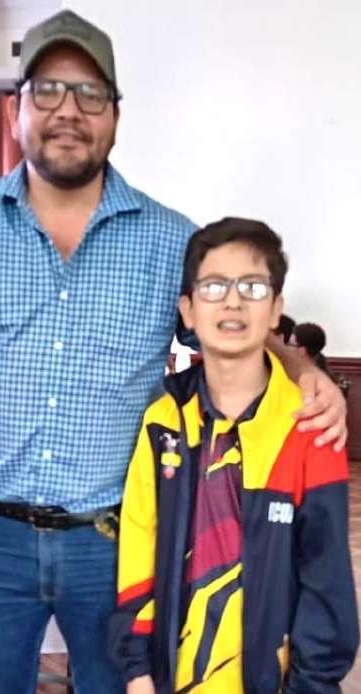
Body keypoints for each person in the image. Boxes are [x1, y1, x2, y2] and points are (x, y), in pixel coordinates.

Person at [0, 10, 347, 694]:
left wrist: (303, 369)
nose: (69, 110)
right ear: (15, 109)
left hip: (117, 541)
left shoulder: (168, 239)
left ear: (116, 117)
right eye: (47, 90)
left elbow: (230, 326)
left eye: (90, 94)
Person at [111, 218, 358, 693]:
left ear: (275, 310)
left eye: (252, 287)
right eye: (213, 286)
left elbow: (327, 582)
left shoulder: (310, 426)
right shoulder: (163, 422)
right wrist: (137, 669)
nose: (232, 301)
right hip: (170, 676)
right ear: (187, 311)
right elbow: (139, 544)